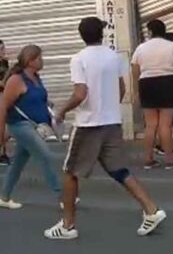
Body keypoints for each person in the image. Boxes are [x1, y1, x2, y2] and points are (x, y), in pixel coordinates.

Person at [45, 17, 166, 239]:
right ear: (101, 34)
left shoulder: (79, 59)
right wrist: (108, 107)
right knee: (118, 169)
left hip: (88, 124)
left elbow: (80, 93)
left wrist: (62, 111)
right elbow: (121, 89)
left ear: (81, 35)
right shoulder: (113, 56)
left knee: (70, 172)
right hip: (112, 122)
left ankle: (67, 225)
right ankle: (151, 209)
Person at [0, 45, 61, 209]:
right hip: (20, 125)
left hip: (36, 126)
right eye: (39, 58)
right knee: (45, 155)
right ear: (30, 60)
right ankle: (63, 196)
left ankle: (4, 197)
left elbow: (37, 99)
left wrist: (49, 108)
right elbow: (4, 107)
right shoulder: (16, 80)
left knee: (18, 163)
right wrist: (2, 133)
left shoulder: (36, 78)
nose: (42, 61)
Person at [132, 20, 173, 170]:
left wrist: (136, 91)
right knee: (165, 124)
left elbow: (135, 71)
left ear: (150, 32)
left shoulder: (141, 48)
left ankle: (148, 159)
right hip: (167, 83)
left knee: (150, 124)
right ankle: (169, 160)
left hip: (146, 83)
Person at [0, 40, 10, 166]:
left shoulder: (4, 62)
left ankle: (3, 152)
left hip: (5, 93)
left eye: (3, 48)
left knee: (6, 125)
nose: (2, 51)